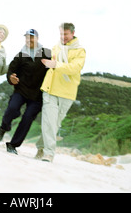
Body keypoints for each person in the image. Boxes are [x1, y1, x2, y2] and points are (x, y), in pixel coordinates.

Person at [0, 29, 51, 155]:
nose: (29, 40)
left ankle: (13, 145)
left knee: (27, 119)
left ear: (37, 38)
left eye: (31, 37)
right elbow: (11, 70)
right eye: (27, 38)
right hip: (21, 91)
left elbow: (56, 65)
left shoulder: (47, 53)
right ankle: (4, 127)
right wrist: (11, 78)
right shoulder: (21, 54)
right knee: (12, 109)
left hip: (37, 96)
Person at [36, 23, 86, 162]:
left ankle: (41, 146)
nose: (63, 37)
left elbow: (74, 68)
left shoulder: (80, 51)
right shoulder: (56, 47)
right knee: (49, 122)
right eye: (61, 34)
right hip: (50, 89)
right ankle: (49, 153)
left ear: (73, 33)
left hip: (67, 93)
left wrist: (56, 65)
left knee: (54, 124)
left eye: (66, 34)